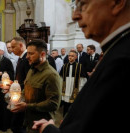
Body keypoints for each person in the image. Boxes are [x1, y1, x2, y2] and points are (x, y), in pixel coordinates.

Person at [32, 0, 130, 132]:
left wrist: (48, 129)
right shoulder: (116, 48)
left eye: (83, 4)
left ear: (117, 3)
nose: (74, 16)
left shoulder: (122, 60)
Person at [11, 39, 62, 133]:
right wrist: (18, 99)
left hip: (41, 125)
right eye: (27, 53)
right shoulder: (32, 70)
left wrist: (27, 106)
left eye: (31, 54)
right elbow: (26, 89)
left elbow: (54, 104)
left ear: (42, 54)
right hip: (28, 121)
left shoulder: (51, 75)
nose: (27, 57)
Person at [10, 36, 31, 133]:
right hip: (19, 93)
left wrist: (16, 88)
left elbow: (28, 80)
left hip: (24, 95)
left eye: (13, 47)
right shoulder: (21, 58)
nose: (11, 49)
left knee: (18, 125)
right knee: (15, 124)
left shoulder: (27, 58)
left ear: (21, 45)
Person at [59, 51, 87, 117]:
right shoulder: (64, 66)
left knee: (74, 107)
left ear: (76, 57)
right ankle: (64, 118)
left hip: (75, 88)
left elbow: (83, 79)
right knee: (66, 105)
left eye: (72, 56)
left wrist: (80, 89)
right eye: (69, 56)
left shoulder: (80, 66)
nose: (70, 57)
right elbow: (61, 78)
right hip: (66, 88)